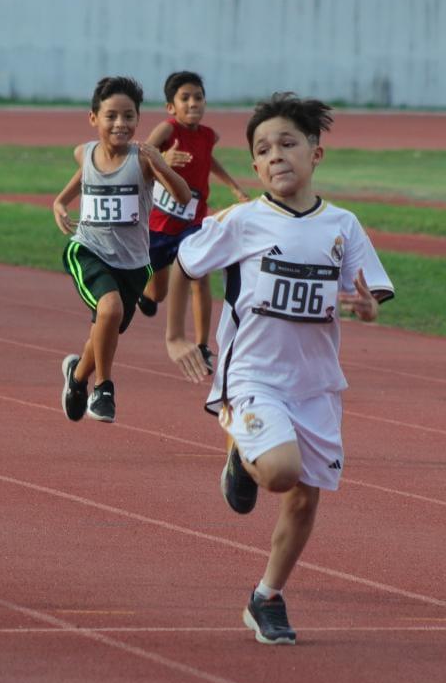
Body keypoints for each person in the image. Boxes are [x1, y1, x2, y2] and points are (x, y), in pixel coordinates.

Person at [166, 92, 394, 644]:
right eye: (263, 150)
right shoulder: (243, 221)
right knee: (281, 471)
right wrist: (176, 336)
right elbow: (184, 261)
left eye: (288, 144)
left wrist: (367, 307)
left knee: (303, 496)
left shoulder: (343, 225)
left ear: (316, 153)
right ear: (254, 166)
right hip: (253, 377)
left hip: (315, 384)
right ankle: (242, 460)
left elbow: (369, 292)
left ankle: (266, 597)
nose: (276, 157)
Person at [53, 75, 192, 424]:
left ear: (138, 119)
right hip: (88, 250)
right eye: (111, 116)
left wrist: (162, 166)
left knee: (105, 327)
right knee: (110, 310)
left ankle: (78, 376)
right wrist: (60, 201)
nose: (120, 124)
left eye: (129, 116)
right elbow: (84, 175)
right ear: (93, 118)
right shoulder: (84, 152)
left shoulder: (143, 158)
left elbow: (183, 196)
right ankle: (104, 389)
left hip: (132, 263)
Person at [137, 71, 249, 373]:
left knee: (200, 277)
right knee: (158, 292)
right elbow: (141, 154)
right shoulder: (167, 130)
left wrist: (233, 186)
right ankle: (146, 295)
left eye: (198, 97)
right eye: (184, 98)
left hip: (194, 222)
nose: (193, 103)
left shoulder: (207, 135)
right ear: (171, 107)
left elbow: (209, 158)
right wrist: (163, 160)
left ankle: (202, 346)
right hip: (160, 225)